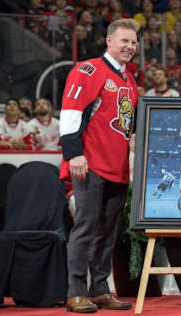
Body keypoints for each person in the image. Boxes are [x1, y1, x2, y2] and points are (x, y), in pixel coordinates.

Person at [59, 18, 139, 313]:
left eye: (133, 42)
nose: (129, 47)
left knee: (107, 232)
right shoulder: (88, 69)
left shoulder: (129, 80)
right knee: (86, 228)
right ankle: (76, 291)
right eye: (124, 41)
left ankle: (100, 289)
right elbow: (70, 112)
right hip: (89, 164)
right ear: (109, 41)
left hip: (117, 168)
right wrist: (74, 155)